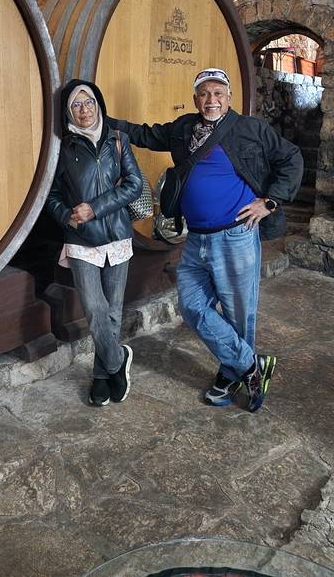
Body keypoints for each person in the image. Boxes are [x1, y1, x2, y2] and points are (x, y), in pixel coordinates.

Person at [108, 67, 303, 413]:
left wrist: (269, 201)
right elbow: (144, 134)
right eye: (204, 94)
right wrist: (101, 122)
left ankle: (231, 373)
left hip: (236, 236)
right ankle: (250, 365)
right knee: (192, 306)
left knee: (239, 314)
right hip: (196, 239)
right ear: (196, 97)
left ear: (229, 96)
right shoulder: (184, 128)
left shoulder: (249, 129)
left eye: (218, 93)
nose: (211, 100)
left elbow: (291, 157)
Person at [46, 79, 143, 407]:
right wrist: (65, 216)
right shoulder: (64, 147)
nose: (84, 109)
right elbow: (52, 194)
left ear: (98, 104)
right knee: (95, 309)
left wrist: (95, 208)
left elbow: (134, 184)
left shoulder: (118, 140)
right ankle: (118, 361)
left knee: (113, 312)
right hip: (81, 239)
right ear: (68, 111)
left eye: (88, 102)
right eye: (76, 105)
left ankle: (102, 375)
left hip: (116, 234)